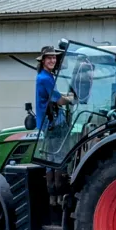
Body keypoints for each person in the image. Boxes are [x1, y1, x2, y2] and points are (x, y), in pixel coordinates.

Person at [35, 45, 74, 207]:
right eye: (49, 58)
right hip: (52, 124)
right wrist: (72, 98)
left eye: (54, 57)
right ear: (43, 60)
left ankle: (55, 197)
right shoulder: (45, 79)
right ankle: (56, 196)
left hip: (51, 122)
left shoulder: (48, 76)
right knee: (57, 158)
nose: (52, 60)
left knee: (51, 158)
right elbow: (58, 100)